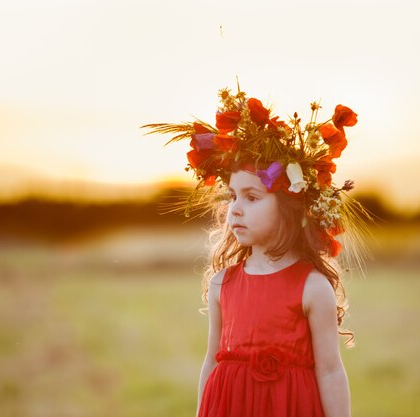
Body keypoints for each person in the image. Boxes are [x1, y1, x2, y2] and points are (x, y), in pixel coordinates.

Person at [143, 86, 369, 417]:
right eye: (233, 196)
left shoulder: (311, 286)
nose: (235, 209)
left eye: (251, 197)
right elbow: (212, 360)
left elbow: (331, 370)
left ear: (289, 209)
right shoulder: (223, 283)